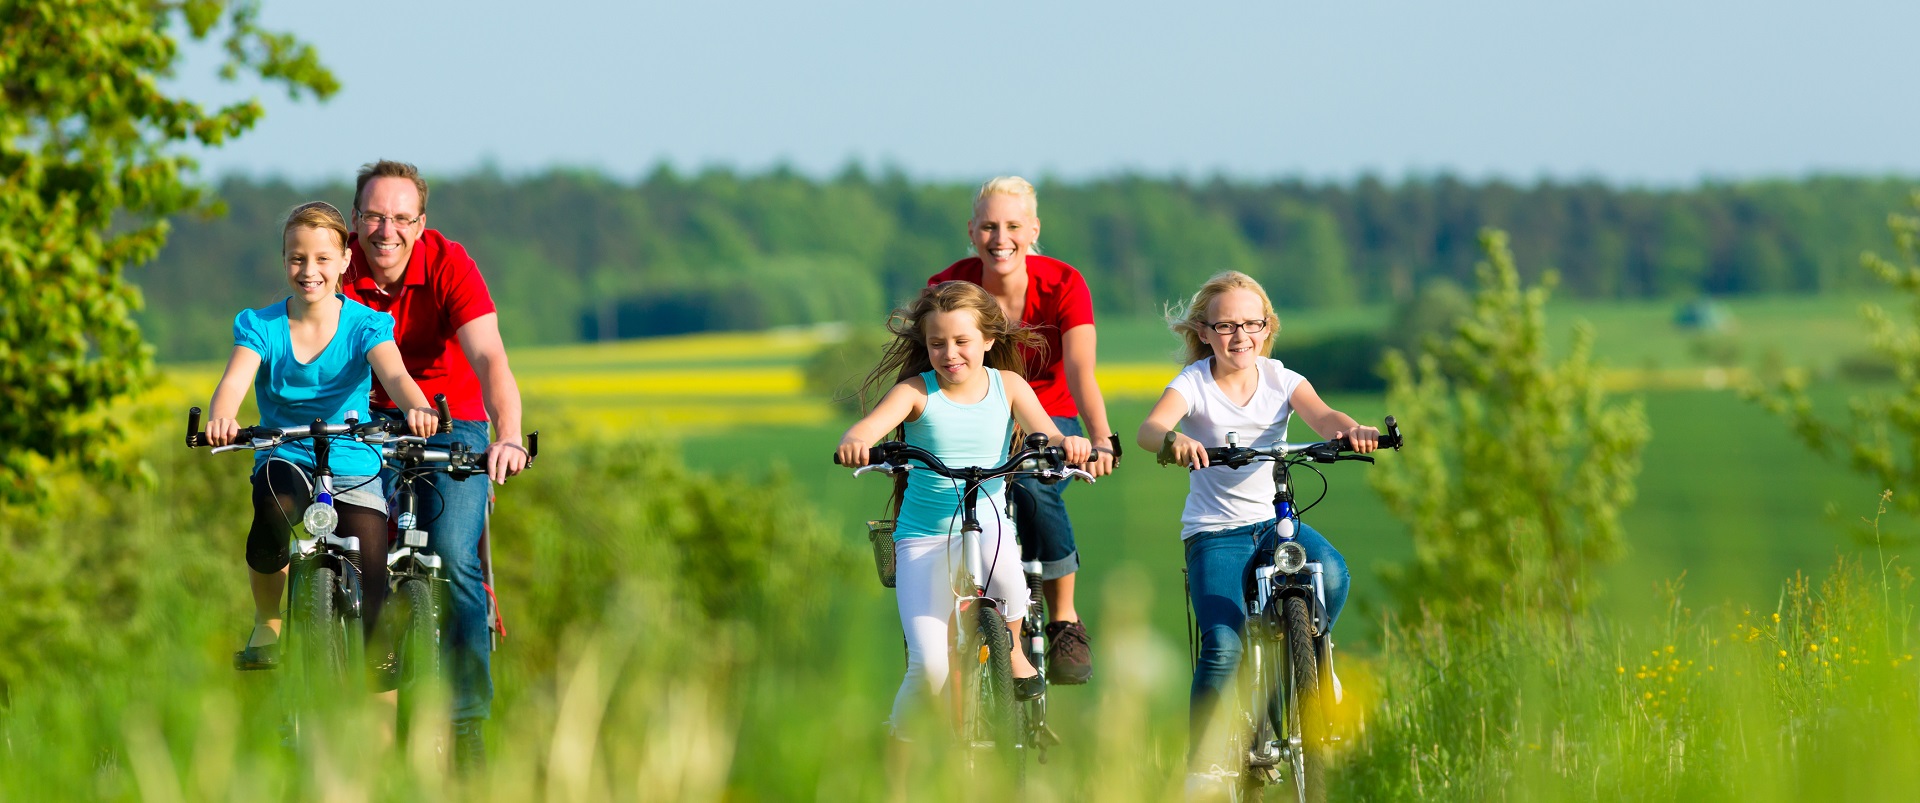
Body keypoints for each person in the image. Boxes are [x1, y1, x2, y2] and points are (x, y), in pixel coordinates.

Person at [1133, 271, 1378, 789]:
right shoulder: (1193, 383)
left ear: (1267, 329)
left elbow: (1324, 416)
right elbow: (1149, 428)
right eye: (1226, 326)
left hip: (1274, 524)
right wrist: (1173, 440)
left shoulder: (1281, 378)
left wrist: (1351, 430)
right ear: (1203, 332)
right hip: (1215, 533)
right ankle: (1201, 765)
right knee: (1223, 644)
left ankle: (1312, 652)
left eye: (1252, 323)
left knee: (1330, 573)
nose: (1240, 335)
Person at [835, 281, 1093, 736]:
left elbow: (1048, 434)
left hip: (988, 521)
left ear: (989, 340)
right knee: (928, 668)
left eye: (961, 341)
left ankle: (1012, 650)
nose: (949, 353)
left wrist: (1067, 443)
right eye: (937, 343)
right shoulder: (916, 392)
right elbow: (867, 429)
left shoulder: (1008, 386)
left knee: (1012, 582)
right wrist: (857, 444)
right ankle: (899, 751)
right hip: (924, 537)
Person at [340, 160, 529, 769]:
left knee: (453, 555)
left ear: (421, 224)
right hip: (360, 422)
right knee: (344, 550)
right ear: (354, 220)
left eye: (400, 218)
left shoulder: (450, 265)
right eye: (372, 215)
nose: (385, 230)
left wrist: (508, 435)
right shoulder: (334, 264)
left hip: (453, 423)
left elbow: (491, 357)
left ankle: (467, 719)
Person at [204, 201, 440, 672]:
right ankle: (268, 619)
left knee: (370, 548)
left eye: (322, 258)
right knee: (271, 511)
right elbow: (233, 382)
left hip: (353, 455)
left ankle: (377, 649)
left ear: (345, 261)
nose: (308, 270)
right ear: (284, 260)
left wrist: (417, 407)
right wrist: (222, 417)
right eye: (296, 258)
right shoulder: (261, 325)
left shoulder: (366, 324)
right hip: (285, 450)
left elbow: (394, 375)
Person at [926, 176, 1115, 685]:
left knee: (1033, 487)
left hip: (1051, 421)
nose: (999, 237)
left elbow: (1080, 371)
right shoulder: (948, 287)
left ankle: (1064, 620)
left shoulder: (1064, 283)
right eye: (988, 226)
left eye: (1012, 226)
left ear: (1033, 230)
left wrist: (1100, 438)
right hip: (971, 417)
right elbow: (919, 365)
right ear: (972, 231)